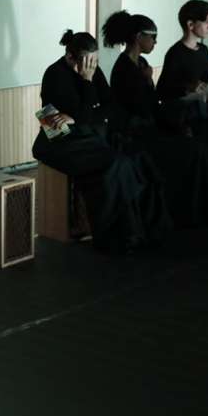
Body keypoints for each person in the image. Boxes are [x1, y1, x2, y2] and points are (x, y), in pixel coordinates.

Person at [32, 29, 170, 252]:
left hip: (89, 135)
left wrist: (77, 116)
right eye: (88, 61)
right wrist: (86, 86)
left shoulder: (93, 72)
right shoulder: (55, 75)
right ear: (70, 57)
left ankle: (147, 227)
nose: (92, 67)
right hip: (60, 141)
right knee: (115, 164)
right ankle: (118, 234)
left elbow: (110, 107)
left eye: (95, 61)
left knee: (138, 158)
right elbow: (59, 122)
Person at [103, 10, 208, 227]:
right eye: (152, 36)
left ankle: (198, 213)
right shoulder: (124, 69)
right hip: (133, 134)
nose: (155, 41)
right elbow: (142, 107)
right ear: (139, 37)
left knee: (196, 148)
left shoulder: (141, 64)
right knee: (191, 152)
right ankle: (185, 215)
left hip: (148, 127)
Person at [155, 0, 208, 205]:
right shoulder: (174, 54)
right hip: (184, 120)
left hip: (202, 115)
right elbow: (162, 92)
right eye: (207, 22)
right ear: (191, 25)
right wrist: (186, 88)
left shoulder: (203, 51)